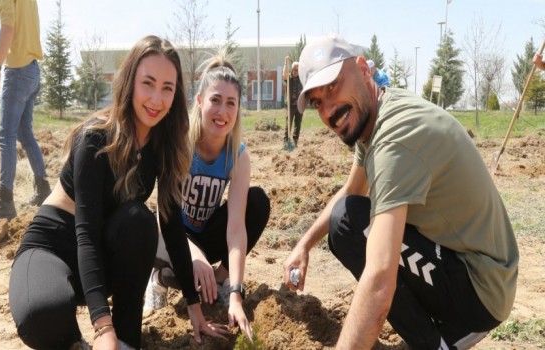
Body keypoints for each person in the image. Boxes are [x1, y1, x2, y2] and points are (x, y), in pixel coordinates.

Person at [282, 34, 518, 349]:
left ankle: (437, 342)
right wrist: (304, 245)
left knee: (352, 227)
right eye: (317, 102)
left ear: (363, 70)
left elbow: (379, 282)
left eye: (333, 87)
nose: (328, 110)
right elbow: (352, 191)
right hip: (469, 268)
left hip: (481, 290)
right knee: (346, 219)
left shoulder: (395, 137)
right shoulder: (377, 113)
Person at [8, 35, 229, 350]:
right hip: (54, 245)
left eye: (167, 88)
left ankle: (126, 341)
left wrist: (195, 307)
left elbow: (172, 225)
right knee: (40, 315)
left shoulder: (163, 146)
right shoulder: (95, 138)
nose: (156, 98)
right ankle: (79, 343)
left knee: (139, 220)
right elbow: (85, 233)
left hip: (102, 252)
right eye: (148, 83)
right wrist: (101, 327)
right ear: (129, 83)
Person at [143, 56, 270, 341]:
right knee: (189, 275)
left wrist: (236, 294)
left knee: (258, 201)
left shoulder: (238, 155)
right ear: (199, 100)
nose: (222, 111)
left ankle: (221, 280)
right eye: (215, 100)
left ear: (238, 109)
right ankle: (159, 279)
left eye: (231, 103)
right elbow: (167, 217)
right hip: (169, 236)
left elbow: (236, 228)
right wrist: (196, 258)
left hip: (205, 235)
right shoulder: (180, 143)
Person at [0, 0, 51, 221]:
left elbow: (8, 28)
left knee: (6, 136)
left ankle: (5, 201)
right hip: (32, 70)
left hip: (18, 70)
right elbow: (18, 23)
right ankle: (43, 189)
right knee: (23, 133)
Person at [283, 56, 303, 147]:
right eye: (294, 70)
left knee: (297, 125)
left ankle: (295, 142)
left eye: (297, 70)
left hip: (299, 105)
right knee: (288, 124)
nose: (296, 72)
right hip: (291, 105)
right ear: (292, 69)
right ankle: (286, 143)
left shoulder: (301, 78)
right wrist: (285, 62)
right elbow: (284, 75)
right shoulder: (289, 78)